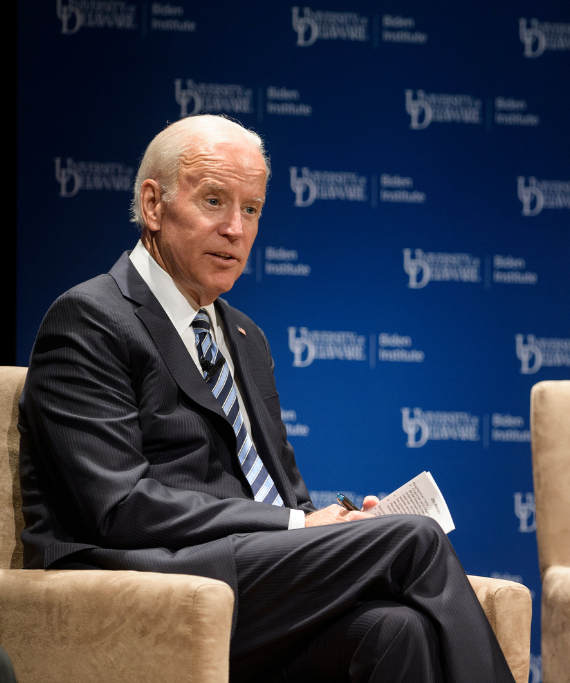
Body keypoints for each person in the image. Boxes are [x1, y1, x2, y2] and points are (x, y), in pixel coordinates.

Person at [18, 114, 516, 683]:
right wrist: (298, 529)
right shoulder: (89, 319)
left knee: (397, 631)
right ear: (153, 206)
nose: (236, 228)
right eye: (213, 201)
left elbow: (283, 495)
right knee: (415, 539)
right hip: (151, 579)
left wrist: (335, 523)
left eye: (251, 209)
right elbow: (118, 507)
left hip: (248, 578)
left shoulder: (246, 338)